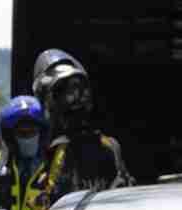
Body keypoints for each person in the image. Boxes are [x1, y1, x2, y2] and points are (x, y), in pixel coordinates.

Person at [31, 48, 135, 194]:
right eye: (65, 91)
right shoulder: (42, 152)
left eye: (77, 90)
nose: (74, 97)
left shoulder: (107, 147)